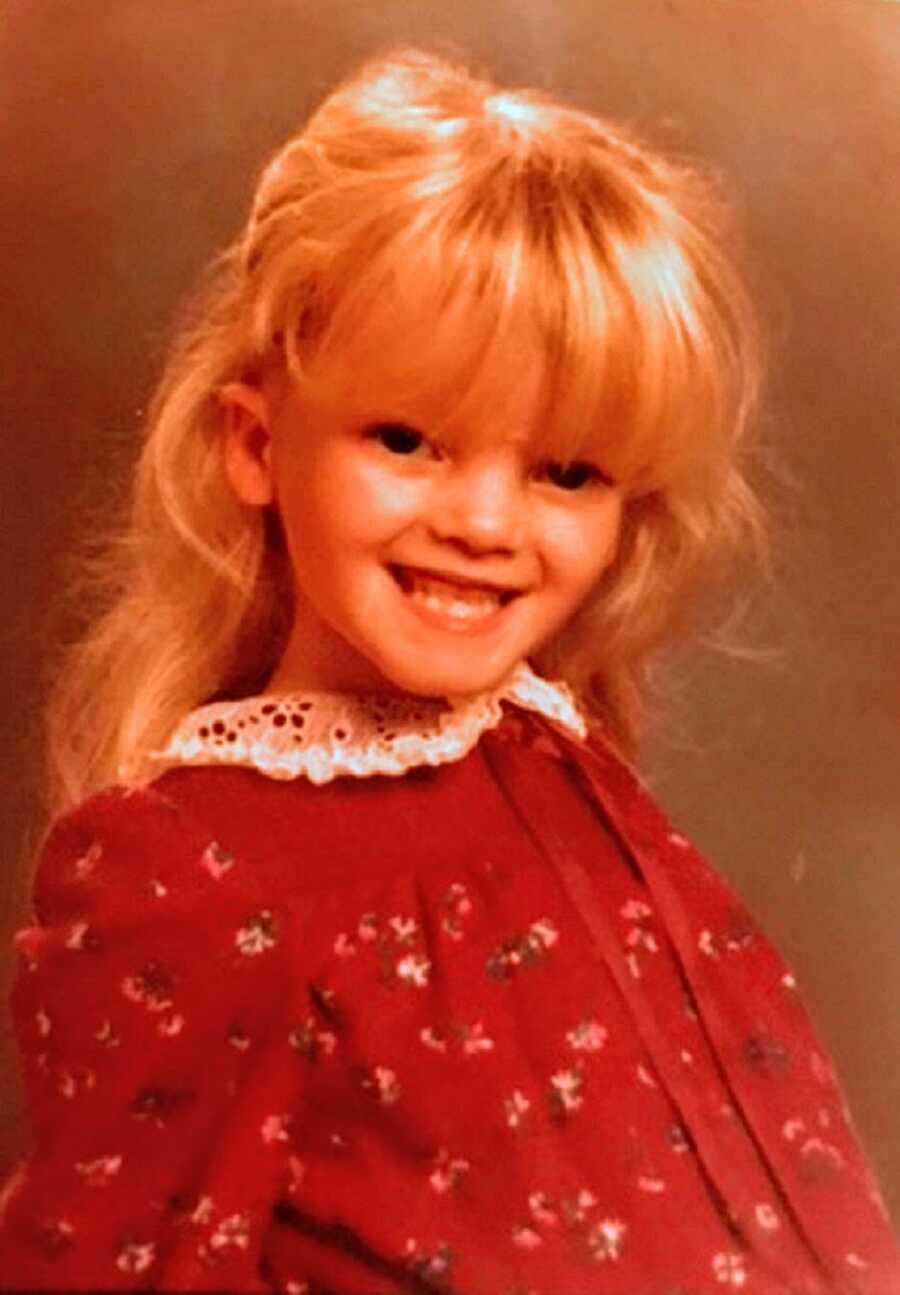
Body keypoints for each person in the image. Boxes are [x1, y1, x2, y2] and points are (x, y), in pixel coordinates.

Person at [1, 45, 897, 1295]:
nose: (484, 522)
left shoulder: (556, 755)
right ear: (258, 445)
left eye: (564, 470)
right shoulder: (189, 873)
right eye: (410, 439)